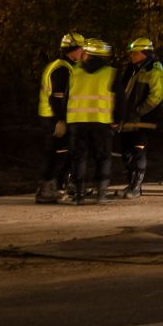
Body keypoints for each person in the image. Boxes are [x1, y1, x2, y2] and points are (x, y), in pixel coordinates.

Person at [114, 38, 163, 198]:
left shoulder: (155, 71)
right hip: (128, 119)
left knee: (138, 151)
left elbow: (155, 97)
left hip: (143, 120)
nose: (131, 55)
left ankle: (135, 187)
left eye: (135, 52)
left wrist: (138, 111)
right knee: (126, 153)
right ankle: (131, 184)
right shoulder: (132, 70)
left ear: (144, 53)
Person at [66, 38, 118, 204]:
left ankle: (79, 194)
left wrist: (63, 118)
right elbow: (120, 100)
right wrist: (117, 120)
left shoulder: (74, 71)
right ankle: (101, 194)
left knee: (78, 158)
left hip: (76, 122)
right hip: (102, 122)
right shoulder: (111, 73)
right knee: (103, 157)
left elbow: (65, 98)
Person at [36, 33, 81, 204]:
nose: (84, 53)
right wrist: (61, 120)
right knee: (57, 153)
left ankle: (59, 185)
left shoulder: (62, 66)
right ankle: (47, 189)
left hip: (51, 116)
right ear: (74, 50)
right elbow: (58, 97)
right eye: (81, 49)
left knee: (61, 152)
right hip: (53, 118)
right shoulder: (62, 69)